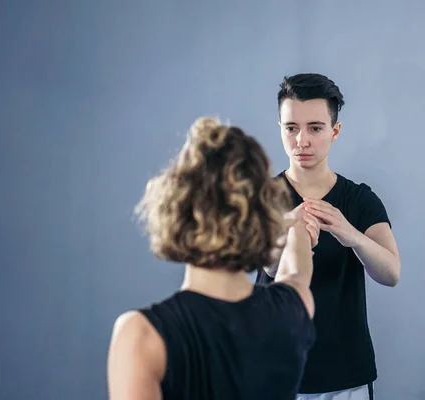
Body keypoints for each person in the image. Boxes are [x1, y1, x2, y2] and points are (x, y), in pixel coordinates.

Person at [107, 117, 322, 400]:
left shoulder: (141, 337)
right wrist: (294, 223)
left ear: (176, 207)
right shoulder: (295, 307)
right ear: (262, 217)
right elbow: (297, 270)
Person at [256, 74, 401, 400]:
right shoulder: (262, 197)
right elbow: (264, 267)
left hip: (346, 374)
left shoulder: (359, 199)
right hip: (273, 368)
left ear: (334, 131)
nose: (301, 140)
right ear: (279, 127)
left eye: (315, 128)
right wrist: (288, 231)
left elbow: (391, 273)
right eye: (291, 128)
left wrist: (350, 235)